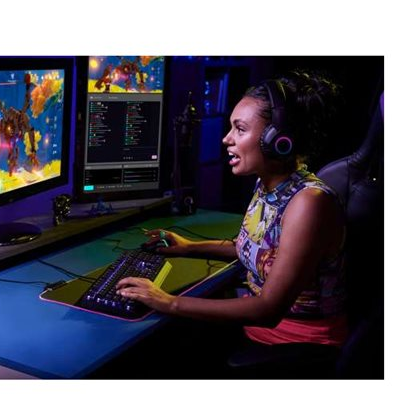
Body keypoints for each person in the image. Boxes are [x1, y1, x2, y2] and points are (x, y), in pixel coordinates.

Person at [116, 70, 348, 351]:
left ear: (276, 139)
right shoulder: (268, 185)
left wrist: (168, 301)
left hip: (295, 344)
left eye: (240, 129)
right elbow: (253, 249)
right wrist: (188, 247)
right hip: (260, 328)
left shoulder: (308, 203)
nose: (227, 139)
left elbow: (268, 309)